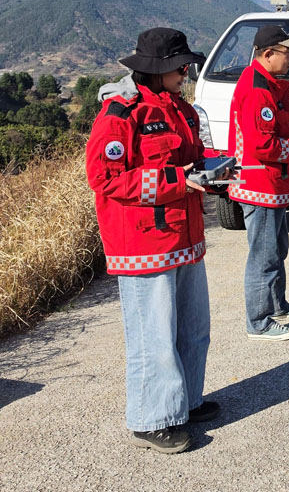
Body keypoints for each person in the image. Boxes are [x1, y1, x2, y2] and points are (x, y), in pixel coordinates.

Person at [86, 27, 218, 454]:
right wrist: (180, 180)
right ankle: (152, 420)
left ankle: (184, 403)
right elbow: (105, 179)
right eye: (181, 68)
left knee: (194, 330)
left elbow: (189, 160)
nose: (186, 73)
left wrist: (211, 172)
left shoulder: (179, 108)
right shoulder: (120, 114)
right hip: (144, 243)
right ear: (158, 70)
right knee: (154, 337)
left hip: (184, 235)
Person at [228, 25, 289, 341]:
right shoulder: (257, 91)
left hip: (272, 185)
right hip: (258, 184)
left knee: (276, 249)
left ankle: (277, 306)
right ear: (267, 54)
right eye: (288, 52)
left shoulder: (270, 85)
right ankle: (259, 321)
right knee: (263, 257)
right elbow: (261, 146)